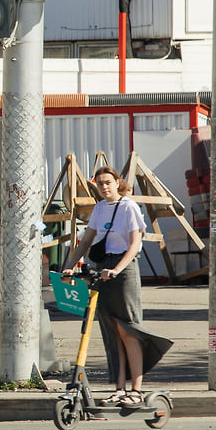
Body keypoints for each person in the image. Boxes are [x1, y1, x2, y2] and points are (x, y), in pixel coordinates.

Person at [61, 167, 173, 408]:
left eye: (108, 182)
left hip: (123, 269)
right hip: (102, 268)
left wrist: (117, 270)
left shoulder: (129, 207)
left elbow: (135, 244)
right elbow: (86, 241)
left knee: (129, 329)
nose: (104, 187)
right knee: (112, 331)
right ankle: (119, 389)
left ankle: (136, 390)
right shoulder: (100, 208)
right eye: (100, 183)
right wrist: (68, 267)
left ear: (117, 183)